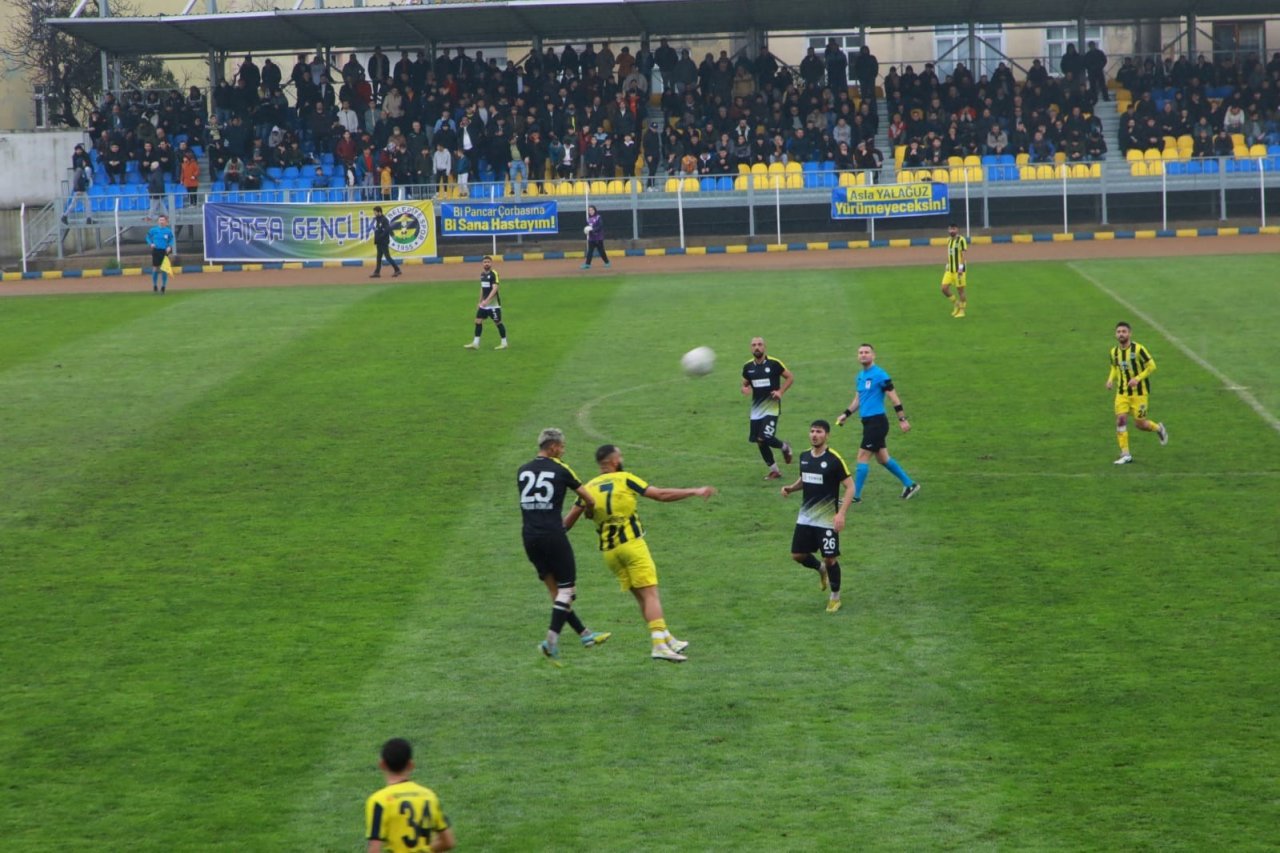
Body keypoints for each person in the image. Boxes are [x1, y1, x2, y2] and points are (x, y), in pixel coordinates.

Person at [563, 444, 715, 662]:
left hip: (610, 553)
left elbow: (567, 523)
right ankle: (658, 645)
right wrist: (694, 490)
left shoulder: (588, 487)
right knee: (651, 594)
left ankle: (666, 637)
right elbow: (660, 495)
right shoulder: (624, 478)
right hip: (632, 546)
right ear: (614, 461)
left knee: (642, 597)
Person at [518, 427, 611, 664]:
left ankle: (586, 635)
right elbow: (588, 498)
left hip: (529, 537)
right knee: (567, 591)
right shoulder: (560, 468)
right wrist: (590, 513)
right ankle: (551, 642)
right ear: (552, 447)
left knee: (555, 592)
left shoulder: (522, 471)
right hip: (553, 535)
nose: (563, 450)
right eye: (562, 446)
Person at [781, 420, 854, 613]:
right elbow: (805, 479)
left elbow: (850, 487)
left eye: (819, 432)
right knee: (797, 555)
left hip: (827, 519)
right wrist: (791, 488)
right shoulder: (805, 456)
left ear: (827, 435)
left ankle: (835, 597)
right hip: (806, 517)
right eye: (812, 431)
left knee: (830, 558)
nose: (814, 435)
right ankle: (820, 569)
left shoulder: (834, 459)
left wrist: (841, 514)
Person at [835, 344, 920, 501]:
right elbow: (858, 399)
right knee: (883, 459)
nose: (863, 355)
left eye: (867, 352)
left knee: (862, 457)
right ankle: (910, 484)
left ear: (873, 355)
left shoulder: (881, 375)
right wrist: (846, 414)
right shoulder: (860, 376)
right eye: (860, 352)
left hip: (877, 423)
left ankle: (855, 495)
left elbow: (894, 398)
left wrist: (902, 419)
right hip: (868, 422)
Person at [364, 737, 455, 853]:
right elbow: (448, 842)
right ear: (411, 765)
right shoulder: (429, 796)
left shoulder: (378, 801)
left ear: (382, 764)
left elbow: (374, 849)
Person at [1107, 322, 1168, 465]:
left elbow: (1152, 366)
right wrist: (1110, 380)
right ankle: (1125, 454)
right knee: (1121, 419)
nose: (1121, 334)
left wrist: (1137, 378)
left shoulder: (1139, 349)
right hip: (1122, 393)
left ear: (1130, 334)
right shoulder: (1113, 352)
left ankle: (1158, 428)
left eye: (1124, 331)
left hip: (1139, 394)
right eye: (1118, 332)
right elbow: (1114, 368)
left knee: (1140, 424)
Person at [741, 337, 795, 480]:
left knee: (765, 437)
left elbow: (790, 377)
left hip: (771, 407)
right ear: (751, 348)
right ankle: (775, 471)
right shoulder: (748, 367)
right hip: (756, 410)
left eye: (759, 345)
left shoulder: (774, 364)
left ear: (764, 347)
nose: (757, 347)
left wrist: (780, 392)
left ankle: (785, 447)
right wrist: (745, 388)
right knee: (760, 441)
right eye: (754, 345)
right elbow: (745, 381)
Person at [462, 255, 508, 350]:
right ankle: (475, 343)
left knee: (498, 323)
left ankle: (504, 343)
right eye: (485, 262)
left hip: (493, 305)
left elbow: (495, 288)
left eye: (488, 262)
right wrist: (480, 301)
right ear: (482, 264)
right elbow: (482, 289)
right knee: (478, 321)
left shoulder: (494, 274)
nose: (486, 263)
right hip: (484, 305)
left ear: (491, 263)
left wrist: (487, 301)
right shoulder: (482, 274)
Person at [941, 222, 968, 318]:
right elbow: (950, 254)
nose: (951, 231)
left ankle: (962, 311)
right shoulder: (948, 240)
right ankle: (956, 304)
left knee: (960, 291)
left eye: (953, 229)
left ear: (957, 230)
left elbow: (964, 255)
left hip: (959, 270)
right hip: (950, 269)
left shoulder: (961, 240)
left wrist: (961, 269)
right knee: (944, 288)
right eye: (950, 229)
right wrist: (947, 265)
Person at [369, 205, 401, 279]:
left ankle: (397, 269)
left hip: (383, 241)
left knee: (387, 257)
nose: (374, 214)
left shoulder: (384, 220)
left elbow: (387, 229)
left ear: (379, 212)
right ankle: (377, 272)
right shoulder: (377, 220)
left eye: (375, 212)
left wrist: (381, 236)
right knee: (379, 257)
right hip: (379, 242)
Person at [146, 214, 175, 294]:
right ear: (158, 221)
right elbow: (147, 237)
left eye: (163, 220)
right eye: (160, 220)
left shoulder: (168, 231)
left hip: (164, 251)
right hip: (156, 250)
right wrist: (151, 243)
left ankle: (163, 286)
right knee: (155, 268)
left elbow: (171, 239)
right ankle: (155, 285)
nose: (161, 222)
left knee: (164, 269)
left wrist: (169, 246)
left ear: (166, 222)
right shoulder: (153, 230)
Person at [581, 204, 610, 270]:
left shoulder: (598, 217)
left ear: (594, 210)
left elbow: (600, 226)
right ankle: (587, 264)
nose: (590, 211)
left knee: (601, 251)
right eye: (589, 210)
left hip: (598, 238)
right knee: (590, 251)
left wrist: (593, 230)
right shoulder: (588, 219)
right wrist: (587, 231)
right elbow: (588, 228)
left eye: (592, 210)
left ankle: (607, 262)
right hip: (591, 238)